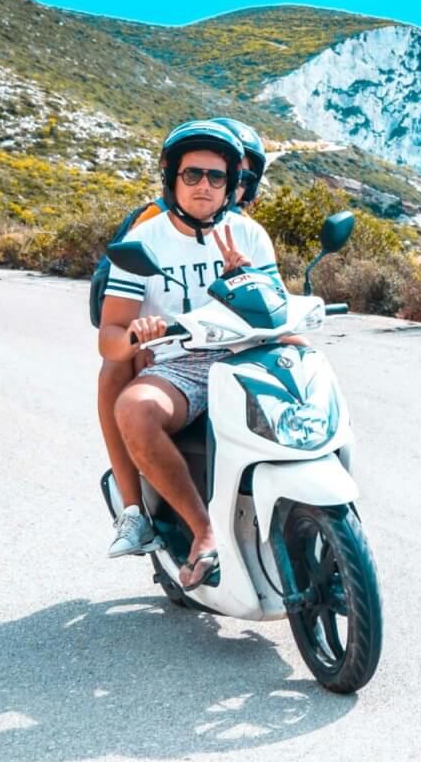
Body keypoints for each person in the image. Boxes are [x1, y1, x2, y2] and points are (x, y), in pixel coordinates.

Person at [96, 120, 286, 589]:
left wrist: (245, 280)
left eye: (217, 177)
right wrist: (137, 337)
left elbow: (277, 312)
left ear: (232, 184)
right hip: (182, 365)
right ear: (172, 177)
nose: (205, 185)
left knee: (311, 369)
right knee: (135, 409)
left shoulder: (249, 236)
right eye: (193, 175)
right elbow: (110, 336)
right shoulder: (143, 243)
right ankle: (203, 532)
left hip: (246, 353)